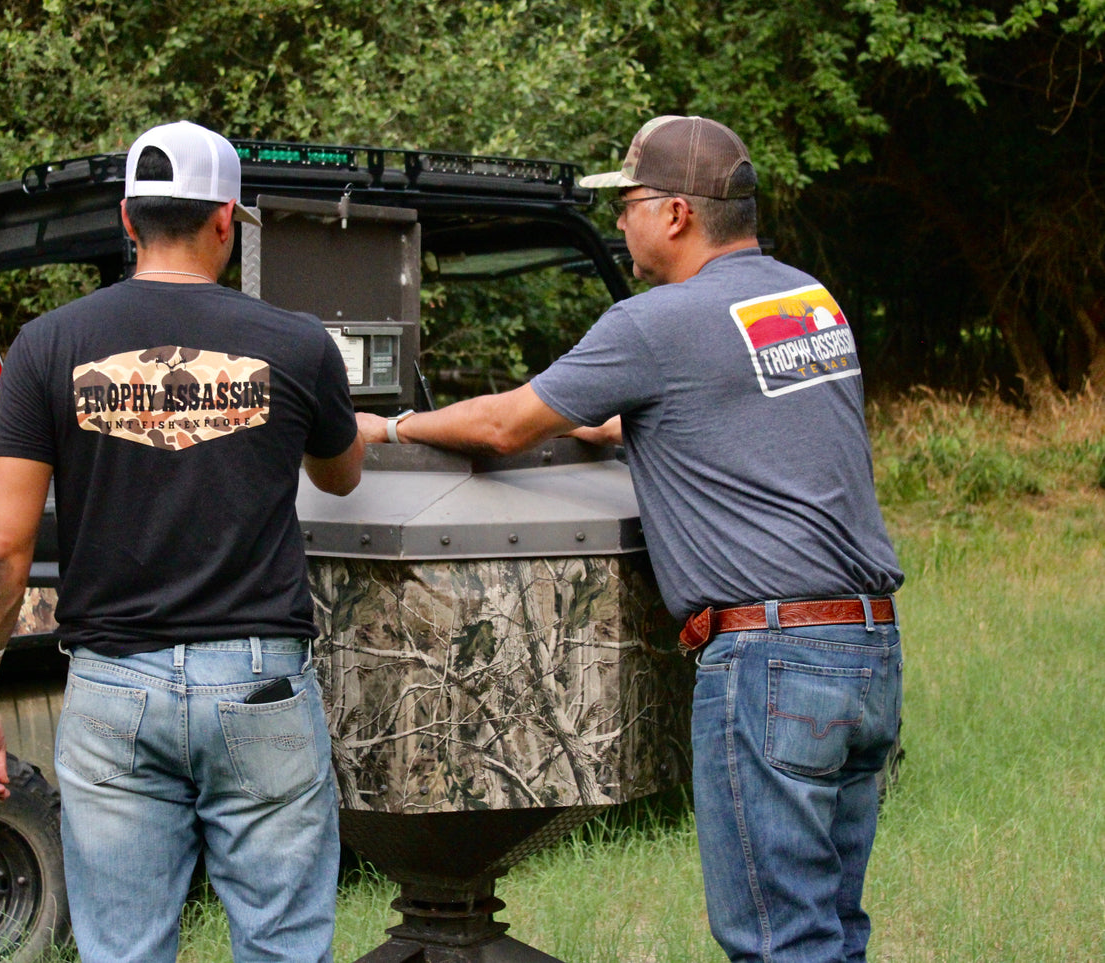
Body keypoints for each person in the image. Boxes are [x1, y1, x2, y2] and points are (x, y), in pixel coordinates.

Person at [356, 115, 903, 963]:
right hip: (864, 651)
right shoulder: (804, 300)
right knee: (834, 930)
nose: (620, 221)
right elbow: (746, 416)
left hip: (770, 663)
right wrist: (640, 428)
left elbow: (505, 424)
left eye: (631, 202)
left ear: (678, 213)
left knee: (779, 940)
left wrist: (385, 430)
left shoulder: (655, 322)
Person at [0, 120, 364, 963]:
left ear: (127, 220)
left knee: (124, 950)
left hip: (112, 689)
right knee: (284, 945)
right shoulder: (297, 343)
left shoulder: (48, 345)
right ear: (224, 220)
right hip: (258, 686)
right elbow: (341, 474)